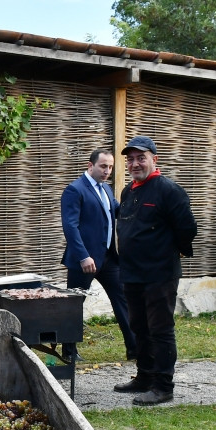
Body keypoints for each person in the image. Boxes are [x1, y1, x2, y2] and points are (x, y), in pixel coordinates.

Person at [113, 136, 196, 406]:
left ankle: (163, 386)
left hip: (159, 275)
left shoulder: (169, 190)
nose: (135, 163)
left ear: (154, 159)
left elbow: (187, 229)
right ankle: (145, 376)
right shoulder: (128, 191)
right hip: (132, 274)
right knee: (139, 327)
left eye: (141, 158)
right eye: (131, 159)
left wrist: (172, 252)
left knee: (160, 330)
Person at [60, 149, 135, 361]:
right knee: (73, 306)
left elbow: (115, 211)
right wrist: (83, 256)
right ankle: (69, 351)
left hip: (109, 258)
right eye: (103, 166)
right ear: (90, 165)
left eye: (110, 167)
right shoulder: (75, 190)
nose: (107, 171)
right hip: (84, 261)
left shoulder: (106, 189)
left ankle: (135, 348)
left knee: (123, 300)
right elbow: (70, 226)